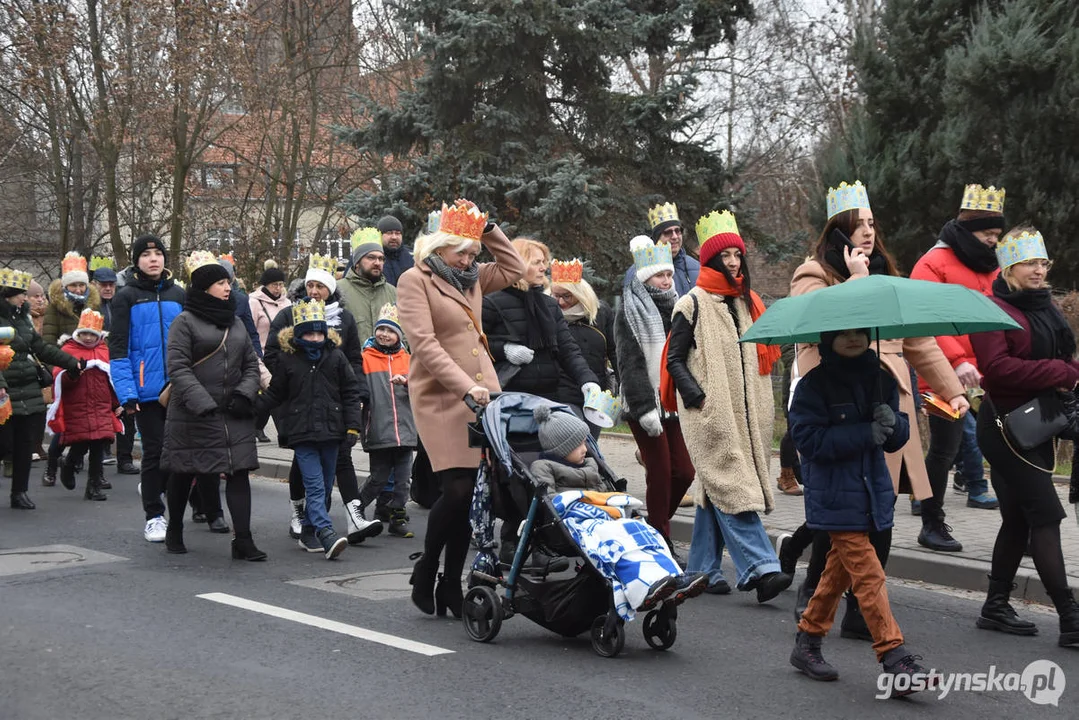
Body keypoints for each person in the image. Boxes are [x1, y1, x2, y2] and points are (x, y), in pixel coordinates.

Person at [788, 181, 968, 635]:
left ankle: (856, 612)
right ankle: (813, 595)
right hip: (836, 403)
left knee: (879, 518)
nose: (867, 232)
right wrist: (854, 283)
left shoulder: (887, 273)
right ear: (838, 232)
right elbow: (809, 320)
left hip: (887, 404)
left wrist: (952, 390)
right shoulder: (813, 272)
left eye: (871, 223)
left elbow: (919, 340)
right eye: (857, 225)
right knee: (840, 521)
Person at [788, 328, 935, 694]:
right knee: (869, 576)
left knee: (837, 572)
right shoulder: (813, 386)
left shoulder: (881, 379)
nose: (853, 339)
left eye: (860, 333)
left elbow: (897, 436)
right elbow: (807, 440)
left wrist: (893, 424)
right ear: (828, 340)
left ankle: (807, 641)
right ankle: (894, 656)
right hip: (836, 494)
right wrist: (864, 432)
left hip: (872, 493)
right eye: (844, 334)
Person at [397, 199, 525, 617]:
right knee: (456, 490)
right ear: (439, 248)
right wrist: (464, 386)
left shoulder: (472, 278)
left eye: (474, 253)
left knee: (472, 496)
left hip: (482, 395)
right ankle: (429, 568)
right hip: (440, 396)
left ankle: (452, 583)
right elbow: (425, 344)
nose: (470, 259)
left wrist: (489, 231)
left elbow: (514, 269)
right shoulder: (414, 280)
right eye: (462, 252)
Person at [664, 211, 791, 602]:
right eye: (726, 256)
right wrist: (698, 398)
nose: (734, 262)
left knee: (714, 486)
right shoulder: (692, 303)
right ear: (710, 260)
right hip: (710, 414)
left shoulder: (746, 303)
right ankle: (761, 566)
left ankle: (702, 569)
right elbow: (674, 359)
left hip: (747, 415)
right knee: (731, 482)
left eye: (738, 255)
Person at [970, 227, 1079, 647]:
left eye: (1043, 263)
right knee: (1046, 516)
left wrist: (1068, 372)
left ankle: (995, 605)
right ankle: (1070, 617)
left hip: (1039, 424)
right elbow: (996, 370)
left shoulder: (1045, 306)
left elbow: (1062, 357)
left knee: (1017, 518)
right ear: (1009, 268)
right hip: (1005, 429)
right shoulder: (991, 310)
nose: (1039, 270)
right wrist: (1062, 373)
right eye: (1030, 263)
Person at [529, 405, 707, 618]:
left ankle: (674, 577)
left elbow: (605, 493)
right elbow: (550, 502)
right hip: (575, 520)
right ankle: (640, 588)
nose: (585, 447)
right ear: (560, 448)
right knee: (617, 546)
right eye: (578, 444)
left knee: (644, 532)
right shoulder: (543, 467)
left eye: (585, 441)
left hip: (605, 515)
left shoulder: (590, 465)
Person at [264, 254, 380, 546]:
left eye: (320, 286)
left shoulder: (344, 318)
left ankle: (352, 515)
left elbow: (353, 358)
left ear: (331, 289)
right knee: (303, 458)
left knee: (339, 455)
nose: (314, 291)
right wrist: (295, 375)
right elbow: (271, 353)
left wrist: (358, 391)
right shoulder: (289, 314)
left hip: (335, 401)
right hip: (297, 400)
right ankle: (300, 512)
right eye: (310, 285)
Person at [158, 252, 264, 560]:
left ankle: (243, 540)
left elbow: (251, 364)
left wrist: (244, 394)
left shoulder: (236, 322)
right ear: (204, 287)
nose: (227, 288)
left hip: (234, 411)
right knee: (183, 470)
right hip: (194, 412)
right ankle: (174, 528)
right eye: (220, 283)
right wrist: (203, 403)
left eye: (228, 282)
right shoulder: (184, 322)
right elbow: (177, 368)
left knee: (239, 471)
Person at [910, 184, 1003, 512]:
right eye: (987, 233)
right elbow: (926, 320)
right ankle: (927, 506)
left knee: (984, 438)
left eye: (997, 233)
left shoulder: (993, 267)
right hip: (940, 374)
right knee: (944, 448)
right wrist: (958, 359)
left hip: (984, 373)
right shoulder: (931, 263)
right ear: (970, 230)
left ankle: (970, 488)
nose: (993, 240)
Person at [260, 298, 363, 560]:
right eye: (308, 333)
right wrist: (250, 411)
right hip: (302, 432)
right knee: (315, 485)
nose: (315, 338)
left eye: (319, 332)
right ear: (298, 334)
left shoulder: (336, 357)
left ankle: (308, 532)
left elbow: (350, 392)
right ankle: (326, 533)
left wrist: (352, 426)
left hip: (332, 431)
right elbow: (275, 394)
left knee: (327, 485)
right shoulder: (288, 359)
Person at [614, 235, 694, 559]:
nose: (667, 280)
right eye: (661, 275)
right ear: (646, 277)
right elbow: (629, 363)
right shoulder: (629, 311)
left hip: (673, 403)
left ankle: (650, 526)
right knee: (660, 471)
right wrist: (645, 407)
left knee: (685, 472)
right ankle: (660, 540)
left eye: (670, 275)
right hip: (643, 404)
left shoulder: (679, 308)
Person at [108, 234, 185, 542]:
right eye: (146, 254)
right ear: (136, 261)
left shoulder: (179, 294)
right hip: (146, 392)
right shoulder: (126, 296)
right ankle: (154, 515)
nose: (153, 259)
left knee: (177, 454)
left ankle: (158, 490)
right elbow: (118, 348)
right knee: (154, 451)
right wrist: (127, 393)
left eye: (158, 253)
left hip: (180, 388)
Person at [0, 268, 82, 509]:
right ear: (7, 295)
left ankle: (19, 492)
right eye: (21, 295)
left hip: (29, 390)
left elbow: (41, 348)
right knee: (5, 444)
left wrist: (71, 361)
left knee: (25, 445)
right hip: (5, 393)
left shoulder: (22, 320)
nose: (25, 299)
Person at [357, 303, 417, 538]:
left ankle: (397, 517)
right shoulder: (366, 358)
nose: (384, 334)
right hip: (379, 429)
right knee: (378, 478)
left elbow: (422, 388)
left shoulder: (409, 359)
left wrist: (408, 382)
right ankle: (357, 508)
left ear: (399, 335)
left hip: (405, 431)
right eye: (381, 329)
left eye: (391, 331)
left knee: (403, 480)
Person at [47, 309, 120, 501]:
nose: (88, 338)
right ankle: (68, 464)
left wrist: (117, 403)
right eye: (84, 334)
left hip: (101, 406)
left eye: (92, 334)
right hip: (77, 406)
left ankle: (94, 487)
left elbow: (112, 380)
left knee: (98, 444)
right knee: (80, 442)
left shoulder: (104, 350)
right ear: (77, 333)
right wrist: (72, 374)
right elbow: (59, 379)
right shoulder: (68, 351)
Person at [549, 258, 618, 435]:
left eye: (567, 296)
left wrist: (623, 382)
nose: (561, 303)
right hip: (560, 392)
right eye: (556, 296)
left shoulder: (602, 313)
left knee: (591, 445)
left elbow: (614, 351)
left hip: (595, 393)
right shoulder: (548, 314)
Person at [91, 257, 138, 476]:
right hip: (98, 365)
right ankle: (97, 452)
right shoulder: (90, 308)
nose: (108, 288)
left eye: (111, 284)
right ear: (95, 285)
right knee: (100, 411)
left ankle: (125, 458)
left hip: (120, 363)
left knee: (127, 410)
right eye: (104, 284)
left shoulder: (122, 302)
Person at [248, 260, 290, 443]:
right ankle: (268, 428)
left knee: (277, 392)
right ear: (265, 285)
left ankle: (261, 427)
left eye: (281, 284)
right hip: (263, 353)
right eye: (275, 285)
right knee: (269, 391)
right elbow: (250, 329)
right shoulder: (254, 302)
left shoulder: (287, 303)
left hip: (284, 354)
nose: (278, 288)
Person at [623, 203, 701, 295]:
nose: (675, 236)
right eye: (668, 232)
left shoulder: (697, 267)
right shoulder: (639, 270)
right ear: (656, 237)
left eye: (678, 231)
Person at [337, 226, 398, 342]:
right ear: (357, 263)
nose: (377, 263)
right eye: (371, 258)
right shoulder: (338, 290)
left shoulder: (392, 292)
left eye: (381, 259)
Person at [775, 344, 804, 496]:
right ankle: (786, 475)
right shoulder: (794, 323)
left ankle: (802, 473)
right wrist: (801, 363)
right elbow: (787, 349)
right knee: (793, 430)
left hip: (820, 372)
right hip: (797, 377)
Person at [378, 215, 413, 287]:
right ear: (379, 235)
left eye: (397, 233)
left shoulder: (412, 257)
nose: (394, 237)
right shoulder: (371, 258)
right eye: (389, 233)